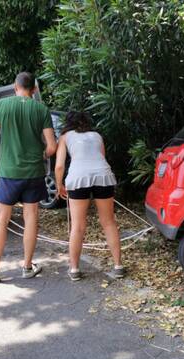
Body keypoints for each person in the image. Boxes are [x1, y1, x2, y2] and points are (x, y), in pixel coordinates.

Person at [0, 72, 57, 284]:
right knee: (31, 218)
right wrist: (41, 154)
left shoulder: (2, 106)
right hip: (34, 174)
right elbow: (52, 146)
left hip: (8, 173)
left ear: (15, 86)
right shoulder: (41, 109)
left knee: (1, 220)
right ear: (34, 90)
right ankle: (27, 266)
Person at [54, 112, 124, 281]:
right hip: (103, 176)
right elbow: (101, 158)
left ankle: (75, 269)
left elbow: (59, 166)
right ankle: (118, 266)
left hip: (78, 178)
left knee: (78, 226)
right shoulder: (97, 136)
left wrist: (59, 186)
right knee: (108, 222)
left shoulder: (65, 137)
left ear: (68, 123)